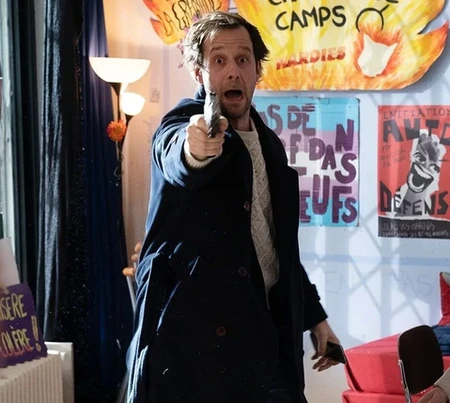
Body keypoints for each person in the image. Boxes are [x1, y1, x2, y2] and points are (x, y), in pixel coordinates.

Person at [126, 10, 340, 403]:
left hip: (266, 337)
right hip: (198, 355)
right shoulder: (182, 124)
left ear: (258, 71)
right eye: (218, 60)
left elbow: (275, 247)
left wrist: (316, 319)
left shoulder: (269, 144)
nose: (232, 72)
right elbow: (176, 158)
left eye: (242, 59)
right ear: (198, 72)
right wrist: (196, 150)